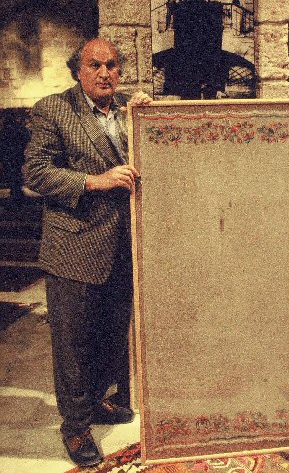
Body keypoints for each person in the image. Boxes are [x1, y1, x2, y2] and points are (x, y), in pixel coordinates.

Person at [23, 38, 152, 468]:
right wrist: (95, 181)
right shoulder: (54, 109)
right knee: (73, 345)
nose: (104, 73)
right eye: (94, 65)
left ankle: (96, 401)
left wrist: (149, 121)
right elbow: (36, 172)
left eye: (111, 65)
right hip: (73, 247)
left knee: (111, 336)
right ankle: (76, 427)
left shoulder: (128, 110)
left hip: (121, 247)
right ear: (78, 71)